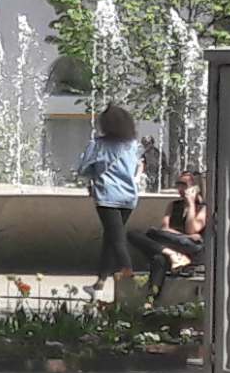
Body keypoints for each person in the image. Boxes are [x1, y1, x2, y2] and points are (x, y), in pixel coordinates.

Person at [76, 105, 147, 284]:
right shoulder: (132, 145)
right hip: (129, 196)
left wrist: (94, 174)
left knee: (116, 239)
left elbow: (83, 169)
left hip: (107, 196)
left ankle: (129, 275)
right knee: (111, 237)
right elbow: (137, 165)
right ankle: (100, 281)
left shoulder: (98, 145)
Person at [137, 165, 208, 277]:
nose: (180, 189)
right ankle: (173, 254)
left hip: (192, 246)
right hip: (177, 241)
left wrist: (190, 205)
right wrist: (185, 236)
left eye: (184, 185)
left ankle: (173, 255)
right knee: (138, 235)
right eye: (178, 184)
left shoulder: (203, 208)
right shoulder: (173, 205)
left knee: (155, 240)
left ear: (195, 188)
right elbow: (164, 228)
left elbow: (191, 230)